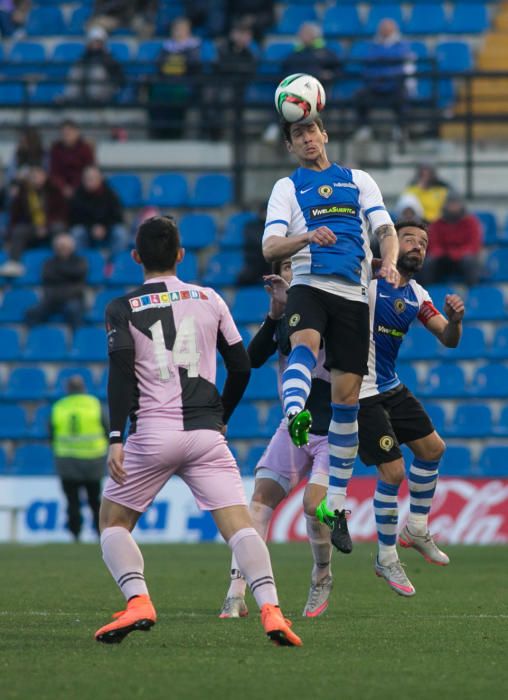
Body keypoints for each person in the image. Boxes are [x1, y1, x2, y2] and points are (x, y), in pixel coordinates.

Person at [95, 215, 302, 647]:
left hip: (152, 433)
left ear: (136, 257)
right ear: (181, 255)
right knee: (241, 527)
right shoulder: (210, 297)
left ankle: (138, 601)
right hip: (207, 434)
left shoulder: (121, 307)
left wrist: (116, 438)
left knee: (113, 522)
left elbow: (119, 377)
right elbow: (242, 365)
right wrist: (220, 414)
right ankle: (271, 609)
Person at [262, 117, 399, 550]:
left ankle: (335, 504)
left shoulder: (358, 181)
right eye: (296, 135)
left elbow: (384, 229)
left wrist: (390, 260)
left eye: (310, 131)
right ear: (290, 146)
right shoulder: (287, 187)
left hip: (354, 296)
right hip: (309, 284)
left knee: (347, 400)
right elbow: (270, 248)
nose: (306, 139)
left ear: (324, 135)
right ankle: (294, 412)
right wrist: (305, 238)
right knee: (304, 342)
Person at [221, 258, 350, 620]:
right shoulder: (286, 318)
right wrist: (275, 313)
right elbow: (249, 361)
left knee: (313, 507)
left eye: (298, 267)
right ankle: (235, 594)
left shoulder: (332, 306)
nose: (291, 274)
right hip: (295, 427)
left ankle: (322, 575)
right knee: (259, 501)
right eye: (287, 268)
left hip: (334, 432)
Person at [359, 219, 464, 596]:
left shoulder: (418, 295)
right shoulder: (364, 280)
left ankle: (416, 527)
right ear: (391, 243)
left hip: (389, 385)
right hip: (360, 390)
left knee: (434, 449)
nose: (418, 246)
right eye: (409, 239)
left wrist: (455, 322)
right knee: (392, 472)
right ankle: (386, 556)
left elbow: (448, 340)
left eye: (423, 242)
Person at [50, 375, 108, 541]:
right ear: (83, 388)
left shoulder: (59, 406)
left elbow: (51, 433)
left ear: (67, 389)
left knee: (72, 502)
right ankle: (100, 534)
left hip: (67, 462)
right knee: (95, 500)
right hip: (93, 461)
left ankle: (75, 534)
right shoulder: (94, 404)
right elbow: (107, 428)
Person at [353, 19, 415, 143]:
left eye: (388, 28)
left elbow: (401, 63)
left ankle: (401, 129)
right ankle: (364, 128)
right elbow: (368, 63)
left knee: (403, 96)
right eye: (383, 28)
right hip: (375, 85)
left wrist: (384, 64)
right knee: (359, 95)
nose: (385, 30)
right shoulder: (373, 46)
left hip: (394, 86)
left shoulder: (402, 45)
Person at [0, 165, 67, 277]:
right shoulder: (23, 193)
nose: (36, 179)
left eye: (39, 176)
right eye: (33, 176)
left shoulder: (54, 191)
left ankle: (60, 262)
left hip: (49, 225)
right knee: (18, 231)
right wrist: (9, 235)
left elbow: (61, 213)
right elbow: (15, 216)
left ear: (45, 176)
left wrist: (46, 226)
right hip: (31, 226)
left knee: (59, 228)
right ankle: (14, 262)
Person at [148, 17, 202, 139]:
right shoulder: (166, 47)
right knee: (156, 93)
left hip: (185, 83)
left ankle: (175, 133)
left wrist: (175, 66)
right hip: (166, 82)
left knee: (176, 95)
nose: (178, 32)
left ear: (188, 31)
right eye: (176, 29)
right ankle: (159, 133)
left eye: (182, 29)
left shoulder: (194, 46)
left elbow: (193, 68)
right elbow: (159, 65)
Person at [25, 233, 88, 330]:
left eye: (65, 246)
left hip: (72, 298)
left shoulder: (80, 261)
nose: (63, 249)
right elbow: (47, 275)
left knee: (74, 310)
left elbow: (79, 272)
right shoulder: (49, 262)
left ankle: (77, 340)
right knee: (32, 312)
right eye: (60, 246)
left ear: (72, 247)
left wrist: (59, 271)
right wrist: (69, 274)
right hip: (52, 299)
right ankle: (36, 340)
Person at [421, 193, 483, 287]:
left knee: (469, 260)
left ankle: (473, 291)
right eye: (450, 203)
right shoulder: (437, 224)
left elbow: (473, 245)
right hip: (443, 259)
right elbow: (433, 244)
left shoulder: (471, 223)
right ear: (445, 205)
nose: (453, 207)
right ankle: (427, 292)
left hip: (462, 258)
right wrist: (444, 254)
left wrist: (455, 253)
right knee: (429, 261)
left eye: (456, 203)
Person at [69, 165, 128, 257]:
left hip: (107, 229)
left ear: (100, 178)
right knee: (77, 232)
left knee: (120, 233)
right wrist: (91, 228)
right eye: (87, 178)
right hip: (87, 230)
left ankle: (115, 263)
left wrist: (105, 228)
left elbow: (118, 217)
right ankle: (83, 262)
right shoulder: (77, 195)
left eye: (92, 178)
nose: (89, 181)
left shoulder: (111, 194)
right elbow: (74, 218)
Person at [63, 25, 124, 104]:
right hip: (85, 87)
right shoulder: (84, 58)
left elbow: (119, 78)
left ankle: (94, 100)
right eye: (93, 41)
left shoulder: (110, 59)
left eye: (98, 41)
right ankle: (69, 98)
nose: (95, 44)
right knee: (77, 70)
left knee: (96, 71)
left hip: (105, 90)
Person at [49, 120, 95, 203]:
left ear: (77, 132)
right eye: (64, 133)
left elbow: (90, 169)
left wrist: (75, 187)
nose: (66, 135)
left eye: (69, 133)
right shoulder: (56, 149)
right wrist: (63, 187)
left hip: (82, 185)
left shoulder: (85, 148)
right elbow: (54, 172)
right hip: (61, 188)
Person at [236, 203, 271, 285]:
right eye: (265, 211)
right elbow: (258, 242)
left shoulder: (279, 226)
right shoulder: (251, 226)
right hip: (254, 263)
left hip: (272, 263)